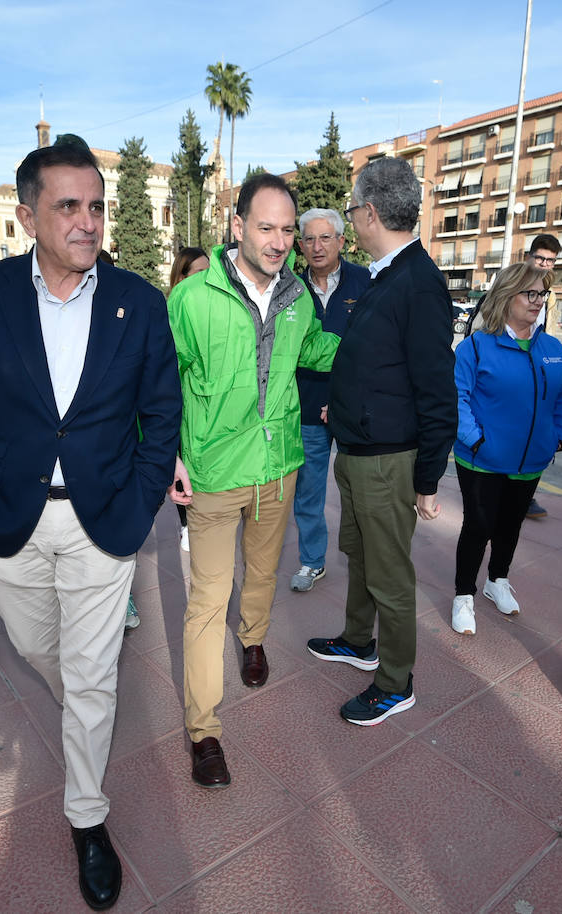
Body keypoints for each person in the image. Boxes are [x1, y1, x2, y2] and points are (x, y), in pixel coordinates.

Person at [0, 137, 180, 912]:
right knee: (50, 656)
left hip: (104, 522)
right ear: (30, 214)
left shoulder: (138, 300)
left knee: (94, 674)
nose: (87, 222)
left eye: (96, 206)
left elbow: (161, 412)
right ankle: (82, 716)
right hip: (8, 522)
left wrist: (142, 497)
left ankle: (87, 816)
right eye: (68, 206)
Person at [167, 174, 339, 786]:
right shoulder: (192, 298)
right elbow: (161, 383)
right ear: (237, 226)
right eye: (265, 227)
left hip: (278, 466)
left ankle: (257, 638)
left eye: (286, 230)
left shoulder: (297, 300)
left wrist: (375, 340)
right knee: (208, 600)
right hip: (213, 474)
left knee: (263, 573)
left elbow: (317, 350)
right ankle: (204, 730)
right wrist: (169, 455)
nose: (277, 241)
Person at [306, 156, 456, 726]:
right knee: (362, 555)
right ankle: (357, 639)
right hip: (360, 448)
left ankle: (395, 680)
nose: (350, 221)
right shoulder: (386, 275)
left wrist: (426, 480)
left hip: (388, 460)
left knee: (390, 574)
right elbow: (374, 367)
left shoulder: (416, 282)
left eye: (350, 211)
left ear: (368, 212)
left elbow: (436, 389)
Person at [451, 262, 562, 634]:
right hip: (481, 460)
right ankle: (463, 596)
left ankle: (497, 581)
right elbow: (457, 398)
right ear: (507, 296)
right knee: (479, 525)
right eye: (530, 293)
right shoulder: (476, 347)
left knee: (510, 526)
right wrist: (477, 439)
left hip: (531, 460)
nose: (538, 301)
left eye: (542, 294)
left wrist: (557, 436)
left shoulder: (552, 349)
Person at [120, 246, 211, 635]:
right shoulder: (162, 313)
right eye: (193, 273)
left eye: (208, 272)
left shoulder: (214, 312)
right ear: (178, 278)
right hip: (152, 428)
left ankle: (188, 523)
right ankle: (122, 588)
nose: (202, 280)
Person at [289, 208, 370, 593]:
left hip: (354, 409)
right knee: (308, 493)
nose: (317, 246)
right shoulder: (289, 287)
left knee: (361, 493)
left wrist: (345, 398)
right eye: (309, 239)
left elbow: (373, 351)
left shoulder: (366, 282)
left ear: (342, 240)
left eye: (325, 238)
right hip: (307, 407)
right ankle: (311, 562)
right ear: (299, 244)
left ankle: (367, 562)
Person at [165, 245, 210, 555]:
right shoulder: (170, 311)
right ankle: (185, 524)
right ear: (181, 277)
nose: (208, 280)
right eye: (200, 273)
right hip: (176, 404)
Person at [522, 233, 562, 521]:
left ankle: (526, 495)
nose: (545, 264)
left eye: (550, 260)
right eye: (540, 258)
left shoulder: (549, 295)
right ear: (529, 256)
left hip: (536, 374)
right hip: (509, 373)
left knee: (535, 432)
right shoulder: (508, 287)